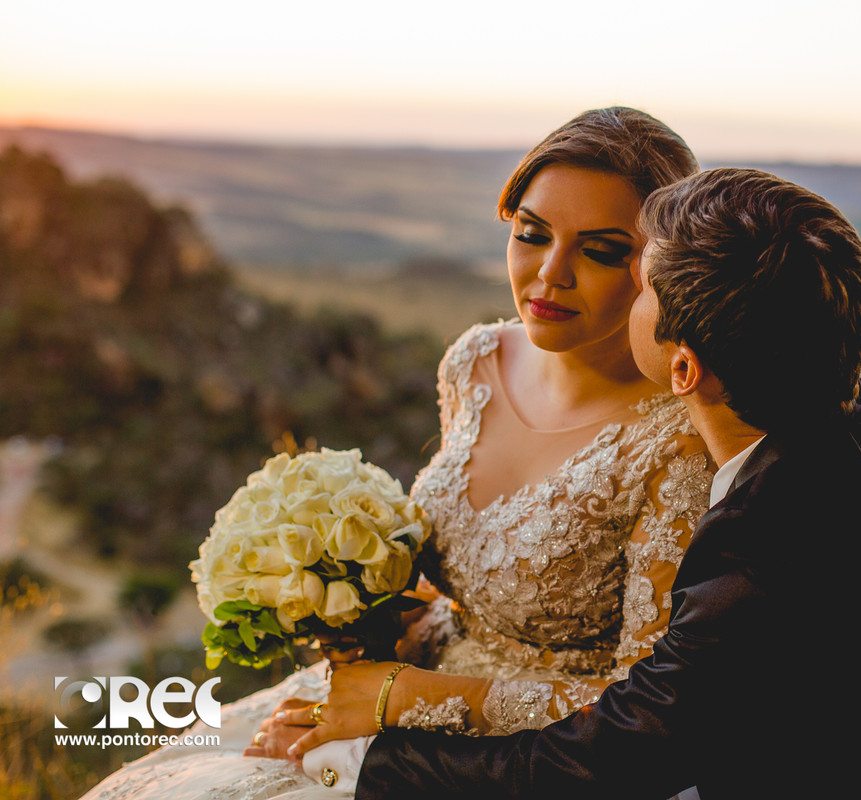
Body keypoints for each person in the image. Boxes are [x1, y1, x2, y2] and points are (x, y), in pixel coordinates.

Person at [77, 107, 713, 799]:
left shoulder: (677, 442)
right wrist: (355, 608)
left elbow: (639, 713)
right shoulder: (475, 361)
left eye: (600, 250)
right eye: (531, 234)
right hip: (385, 686)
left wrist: (407, 697)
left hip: (515, 761)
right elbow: (461, 585)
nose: (550, 273)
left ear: (657, 267)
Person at [286, 167, 861, 798]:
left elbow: (615, 756)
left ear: (685, 370)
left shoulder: (767, 549)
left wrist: (371, 761)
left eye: (646, 286)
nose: (630, 284)